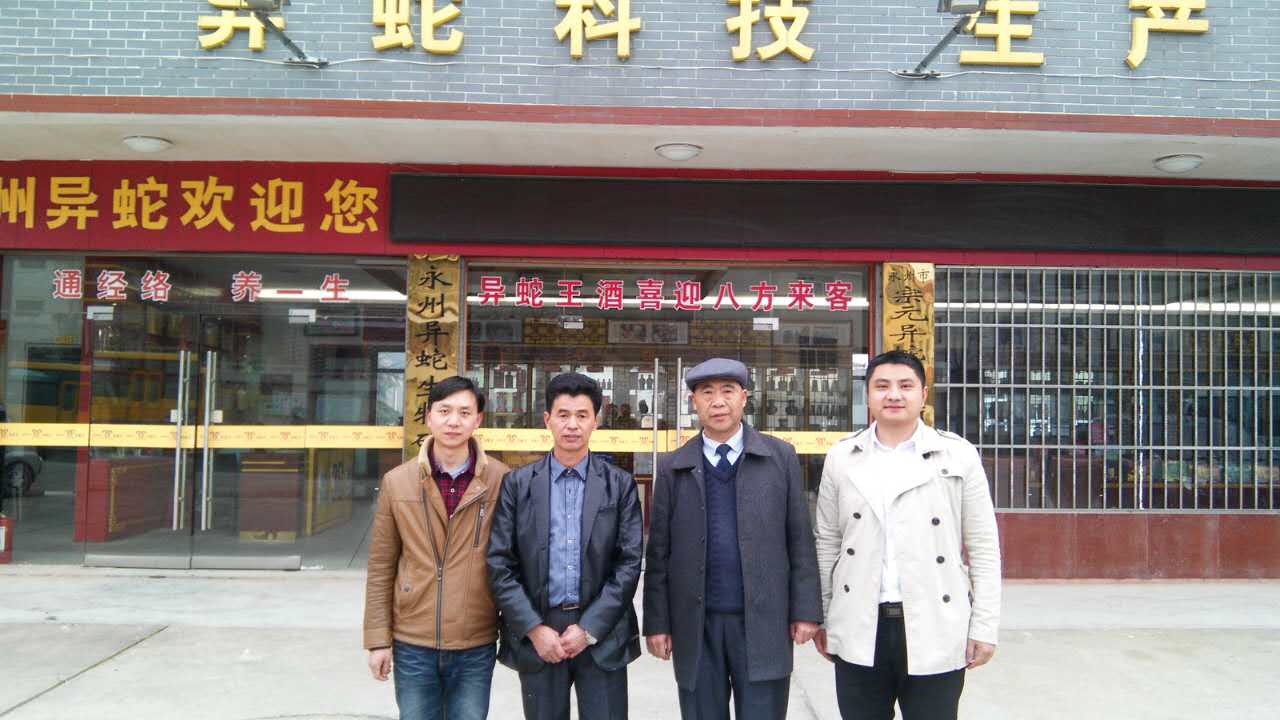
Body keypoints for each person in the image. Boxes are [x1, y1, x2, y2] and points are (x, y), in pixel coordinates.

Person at [814, 350, 1001, 720]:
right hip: (859, 622)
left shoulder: (957, 455)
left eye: (905, 385)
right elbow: (827, 542)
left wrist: (984, 625)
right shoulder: (842, 457)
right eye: (882, 386)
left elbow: (983, 547)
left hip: (936, 621)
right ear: (867, 395)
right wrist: (822, 616)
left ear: (924, 393)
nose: (894, 395)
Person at [643, 357, 822, 720]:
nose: (718, 402)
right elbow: (659, 552)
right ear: (693, 402)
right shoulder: (674, 466)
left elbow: (800, 539)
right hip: (696, 624)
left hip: (764, 621)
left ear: (744, 397)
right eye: (706, 393)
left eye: (727, 391)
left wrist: (806, 610)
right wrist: (657, 623)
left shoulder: (779, 457)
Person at [486, 372, 643, 720]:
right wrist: (533, 628)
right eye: (563, 415)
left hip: (602, 632)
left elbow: (629, 563)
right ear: (547, 419)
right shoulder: (518, 485)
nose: (572, 425)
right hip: (540, 631)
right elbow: (499, 562)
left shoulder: (619, 485)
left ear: (596, 421)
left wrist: (589, 629)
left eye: (582, 415)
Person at [363, 375, 510, 720]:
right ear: (428, 416)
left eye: (464, 412)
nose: (453, 421)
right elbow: (382, 565)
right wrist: (378, 639)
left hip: (475, 640)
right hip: (413, 641)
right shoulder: (397, 482)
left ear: (478, 419)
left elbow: (512, 562)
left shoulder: (502, 480)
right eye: (444, 411)